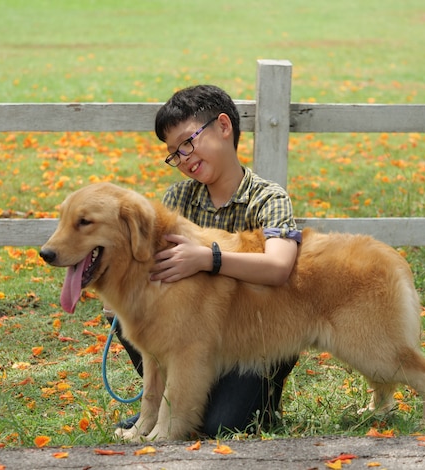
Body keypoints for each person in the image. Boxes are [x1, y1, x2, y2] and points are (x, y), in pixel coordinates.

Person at [105, 84, 301, 437]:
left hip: (256, 337)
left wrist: (208, 259)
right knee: (129, 313)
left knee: (221, 426)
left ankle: (257, 404)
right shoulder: (177, 197)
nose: (183, 158)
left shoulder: (268, 198)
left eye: (187, 142)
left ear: (223, 127)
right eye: (174, 154)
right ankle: (170, 407)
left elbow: (279, 267)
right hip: (192, 338)